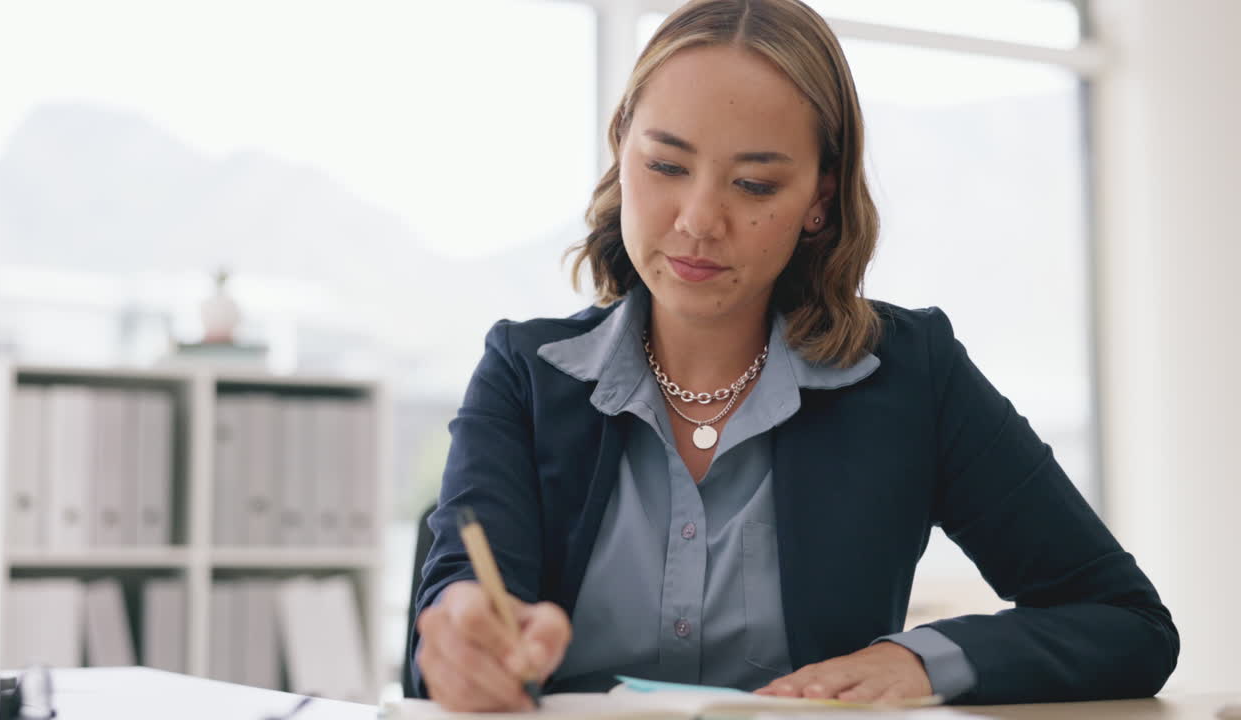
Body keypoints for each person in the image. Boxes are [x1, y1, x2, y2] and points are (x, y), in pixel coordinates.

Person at [410, 0, 1178, 711]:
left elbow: (1125, 620)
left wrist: (917, 662)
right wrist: (459, 633)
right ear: (621, 150)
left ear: (819, 198)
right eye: (666, 166)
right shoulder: (524, 373)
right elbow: (456, 608)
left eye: (754, 183)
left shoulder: (915, 376)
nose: (699, 221)